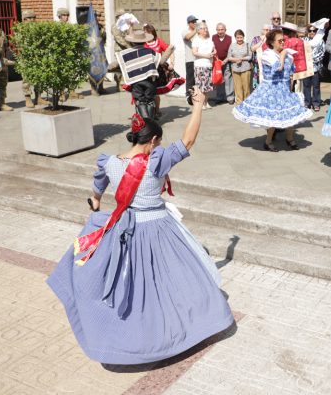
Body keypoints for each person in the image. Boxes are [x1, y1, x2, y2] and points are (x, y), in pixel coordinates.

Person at [46, 87, 234, 365]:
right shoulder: (155, 160)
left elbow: (97, 189)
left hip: (125, 228)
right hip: (158, 227)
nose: (158, 147)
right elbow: (188, 141)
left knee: (133, 284)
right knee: (171, 278)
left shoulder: (109, 162)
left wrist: (96, 205)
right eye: (157, 143)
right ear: (153, 140)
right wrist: (198, 105)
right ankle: (176, 332)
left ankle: (128, 334)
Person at [232, 29, 312, 151]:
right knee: (273, 118)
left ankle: (290, 139)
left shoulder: (288, 55)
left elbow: (290, 74)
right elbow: (278, 68)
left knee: (290, 115)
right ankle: (268, 141)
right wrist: (283, 54)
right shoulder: (267, 54)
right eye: (279, 41)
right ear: (272, 42)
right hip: (271, 90)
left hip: (284, 89)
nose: (283, 42)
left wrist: (289, 89)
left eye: (283, 40)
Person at [143, 24, 176, 118]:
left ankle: (157, 111)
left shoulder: (159, 42)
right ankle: (147, 112)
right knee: (147, 92)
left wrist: (172, 63)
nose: (146, 34)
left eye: (148, 32)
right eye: (145, 33)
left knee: (155, 92)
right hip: (146, 71)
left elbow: (170, 51)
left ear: (152, 33)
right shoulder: (143, 44)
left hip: (158, 71)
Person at [192, 22, 215, 109]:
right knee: (200, 85)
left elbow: (213, 50)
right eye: (203, 28)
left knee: (208, 85)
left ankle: (206, 102)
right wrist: (206, 55)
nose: (206, 30)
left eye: (206, 28)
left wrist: (214, 52)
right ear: (198, 30)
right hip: (200, 65)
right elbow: (194, 52)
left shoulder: (209, 40)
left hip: (208, 65)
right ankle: (200, 103)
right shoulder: (196, 40)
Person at [303, 23, 326, 111]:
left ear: (316, 32)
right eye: (310, 30)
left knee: (316, 86)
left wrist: (311, 59)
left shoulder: (320, 41)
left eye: (314, 31)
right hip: (306, 68)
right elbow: (301, 52)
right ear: (308, 31)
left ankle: (316, 103)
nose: (312, 32)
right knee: (306, 86)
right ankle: (307, 103)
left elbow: (322, 54)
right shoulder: (304, 40)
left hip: (316, 67)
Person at [227, 29, 253, 104]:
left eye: (241, 37)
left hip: (246, 68)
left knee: (246, 87)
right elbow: (229, 57)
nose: (239, 39)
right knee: (237, 87)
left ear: (243, 37)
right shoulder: (232, 45)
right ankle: (239, 102)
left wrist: (241, 59)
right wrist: (235, 60)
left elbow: (250, 56)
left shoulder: (247, 44)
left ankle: (247, 102)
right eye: (237, 37)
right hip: (235, 68)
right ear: (235, 38)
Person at [212, 23, 234, 104]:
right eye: (218, 29)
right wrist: (218, 60)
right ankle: (219, 97)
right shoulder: (213, 37)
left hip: (227, 61)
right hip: (217, 62)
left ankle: (230, 97)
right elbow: (212, 49)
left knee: (228, 79)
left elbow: (230, 51)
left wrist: (224, 61)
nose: (220, 31)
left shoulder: (229, 38)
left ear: (225, 30)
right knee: (218, 80)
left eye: (222, 29)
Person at [182, 15, 199, 96]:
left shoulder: (198, 32)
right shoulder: (185, 31)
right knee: (190, 79)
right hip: (190, 59)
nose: (195, 23)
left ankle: (196, 95)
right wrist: (196, 30)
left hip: (199, 59)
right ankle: (188, 96)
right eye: (193, 22)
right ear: (189, 23)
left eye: (195, 21)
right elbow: (187, 37)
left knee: (198, 79)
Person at [250, 23, 271, 90]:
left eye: (269, 30)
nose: (267, 31)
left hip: (268, 64)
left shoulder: (271, 39)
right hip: (257, 65)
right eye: (266, 30)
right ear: (262, 30)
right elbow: (252, 49)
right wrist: (261, 41)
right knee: (258, 82)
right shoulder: (256, 38)